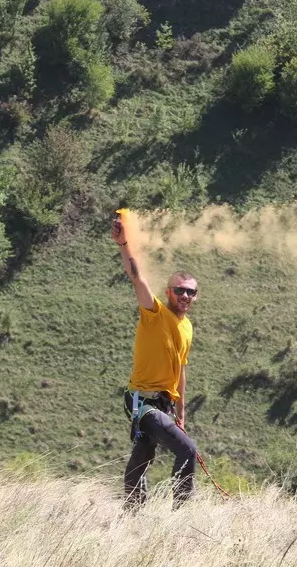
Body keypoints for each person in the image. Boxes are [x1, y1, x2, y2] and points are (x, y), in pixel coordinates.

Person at [111, 214, 198, 510]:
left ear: (195, 297)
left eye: (190, 291)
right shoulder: (154, 313)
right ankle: (181, 512)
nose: (184, 295)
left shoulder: (187, 327)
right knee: (187, 450)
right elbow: (137, 277)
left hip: (163, 403)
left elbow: (180, 370)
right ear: (168, 292)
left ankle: (132, 512)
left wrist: (181, 415)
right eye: (179, 289)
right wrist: (124, 244)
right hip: (142, 401)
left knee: (144, 455)